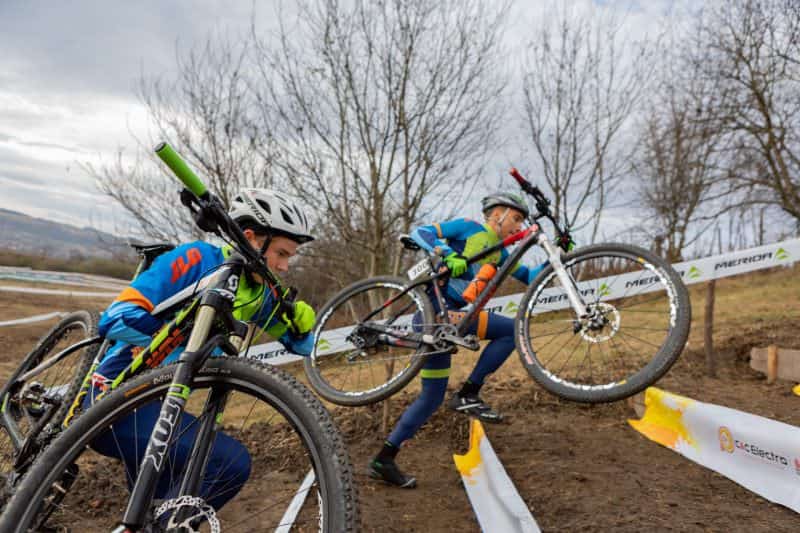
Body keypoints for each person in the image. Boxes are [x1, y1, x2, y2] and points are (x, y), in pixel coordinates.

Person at [85, 188, 316, 510]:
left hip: (161, 406)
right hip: (114, 398)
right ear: (250, 238)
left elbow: (301, 345)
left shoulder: (257, 292)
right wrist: (191, 350)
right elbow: (117, 318)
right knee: (230, 464)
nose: (285, 267)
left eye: (289, 257)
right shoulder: (198, 258)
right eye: (281, 254)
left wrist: (303, 324)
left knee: (156, 500)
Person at [369, 192, 546, 488]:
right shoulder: (468, 228)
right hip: (434, 314)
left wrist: (561, 257)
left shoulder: (501, 253)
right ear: (497, 214)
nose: (518, 226)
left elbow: (530, 276)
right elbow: (421, 232)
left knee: (432, 397)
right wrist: (448, 253)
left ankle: (383, 459)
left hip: (451, 321)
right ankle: (468, 393)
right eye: (515, 218)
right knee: (511, 330)